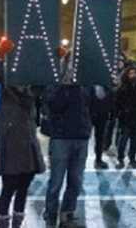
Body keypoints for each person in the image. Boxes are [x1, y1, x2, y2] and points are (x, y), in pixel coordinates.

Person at [42, 63, 92, 228]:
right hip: (61, 138)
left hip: (81, 137)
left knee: (76, 179)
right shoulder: (55, 87)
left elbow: (97, 104)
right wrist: (65, 87)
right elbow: (53, 105)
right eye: (69, 70)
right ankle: (50, 213)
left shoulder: (84, 87)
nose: (72, 73)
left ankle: (67, 212)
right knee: (56, 180)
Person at [0, 86, 46, 228]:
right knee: (8, 189)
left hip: (28, 147)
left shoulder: (29, 94)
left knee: (23, 188)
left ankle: (17, 223)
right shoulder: (3, 93)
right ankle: (4, 224)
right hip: (12, 147)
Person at [90, 85, 113, 169]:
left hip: (103, 115)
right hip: (89, 115)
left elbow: (111, 99)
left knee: (100, 138)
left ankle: (98, 159)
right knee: (84, 139)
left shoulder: (107, 87)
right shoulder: (88, 86)